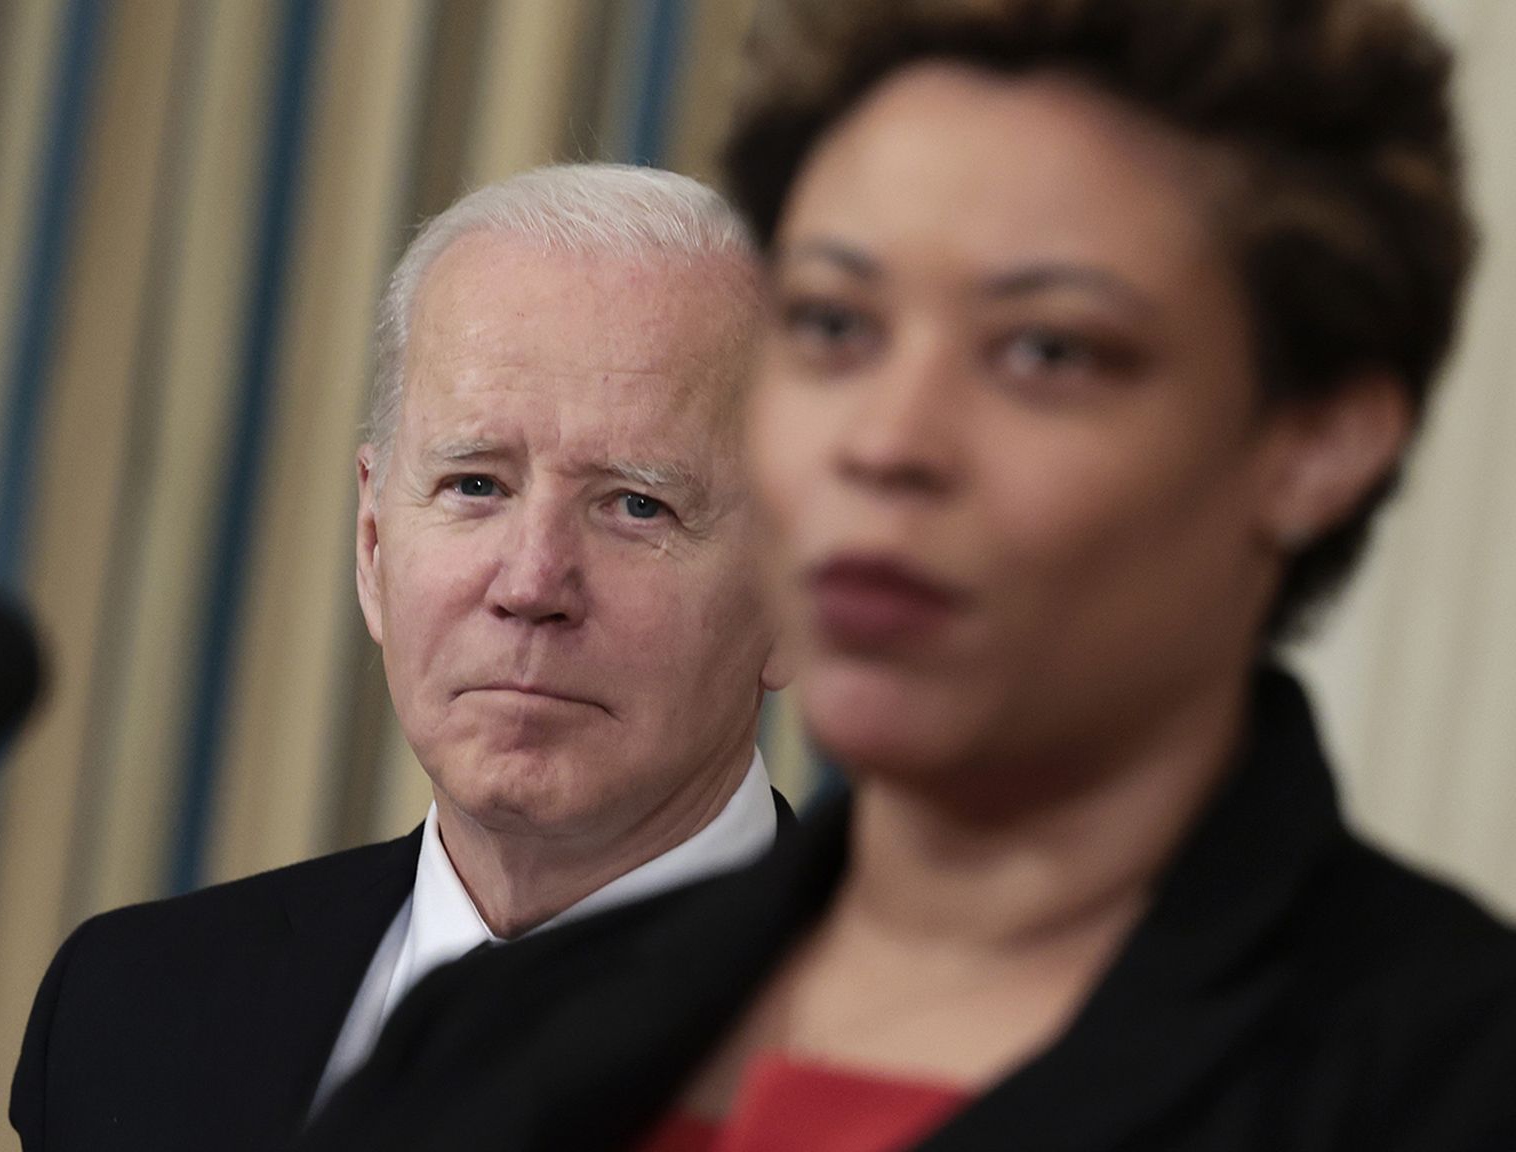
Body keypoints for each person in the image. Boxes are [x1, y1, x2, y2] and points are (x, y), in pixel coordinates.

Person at [298, 3, 1516, 1150]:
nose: (886, 441)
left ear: (1312, 442)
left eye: (1045, 349)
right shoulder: (485, 1033)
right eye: (837, 327)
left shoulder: (1450, 1083)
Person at [8, 163, 797, 1152]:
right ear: (374, 545)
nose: (532, 581)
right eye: (474, 485)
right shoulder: (134, 1008)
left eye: (638, 504)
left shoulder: (973, 1070)